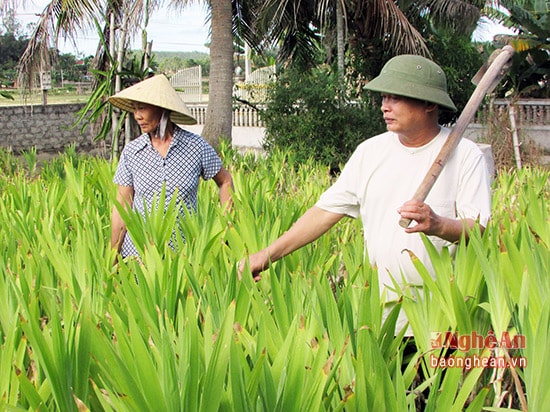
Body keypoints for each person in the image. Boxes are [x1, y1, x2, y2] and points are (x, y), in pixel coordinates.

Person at [239, 55, 491, 333]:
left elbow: (477, 229)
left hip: (443, 318)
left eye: (396, 97)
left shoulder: (466, 154)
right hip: (380, 316)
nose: (385, 106)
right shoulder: (370, 152)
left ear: (429, 103)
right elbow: (324, 214)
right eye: (383, 97)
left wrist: (438, 225)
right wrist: (266, 255)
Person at [109, 74, 233, 259]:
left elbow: (225, 181)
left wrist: (228, 229)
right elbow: (123, 208)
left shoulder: (195, 147)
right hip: (139, 255)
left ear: (162, 108)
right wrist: (111, 257)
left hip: (185, 254)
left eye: (142, 108)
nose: (137, 116)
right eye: (134, 109)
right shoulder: (132, 152)